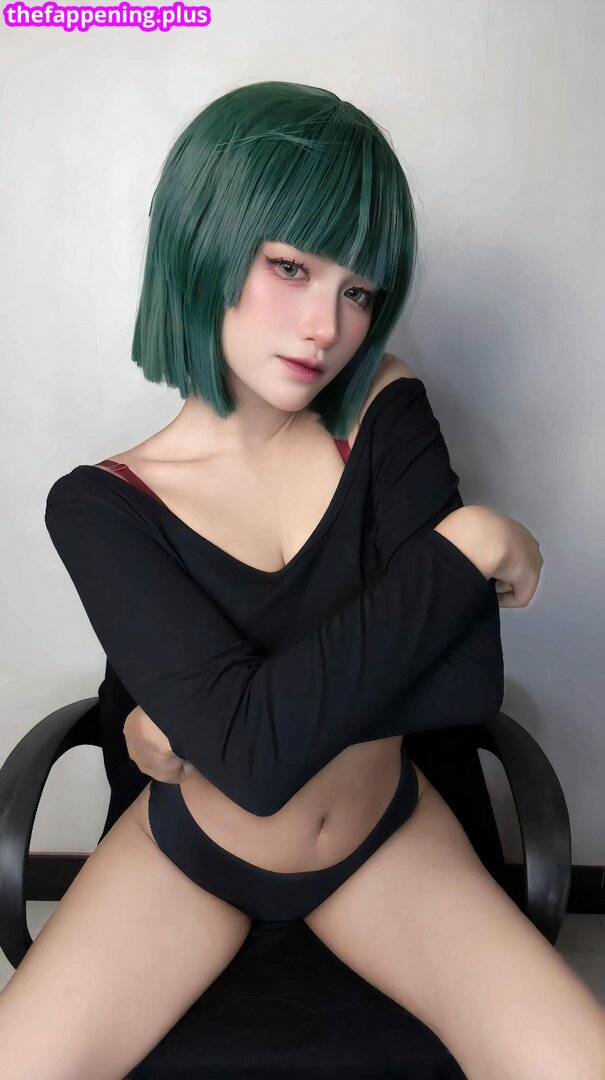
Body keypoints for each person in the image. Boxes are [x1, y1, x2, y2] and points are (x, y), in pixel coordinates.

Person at [2, 82, 603, 1080]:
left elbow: (462, 684)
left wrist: (224, 717)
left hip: (388, 842)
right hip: (190, 857)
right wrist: (465, 548)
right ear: (204, 242)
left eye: (358, 291)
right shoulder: (101, 505)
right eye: (290, 266)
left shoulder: (383, 408)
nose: (327, 326)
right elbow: (251, 762)